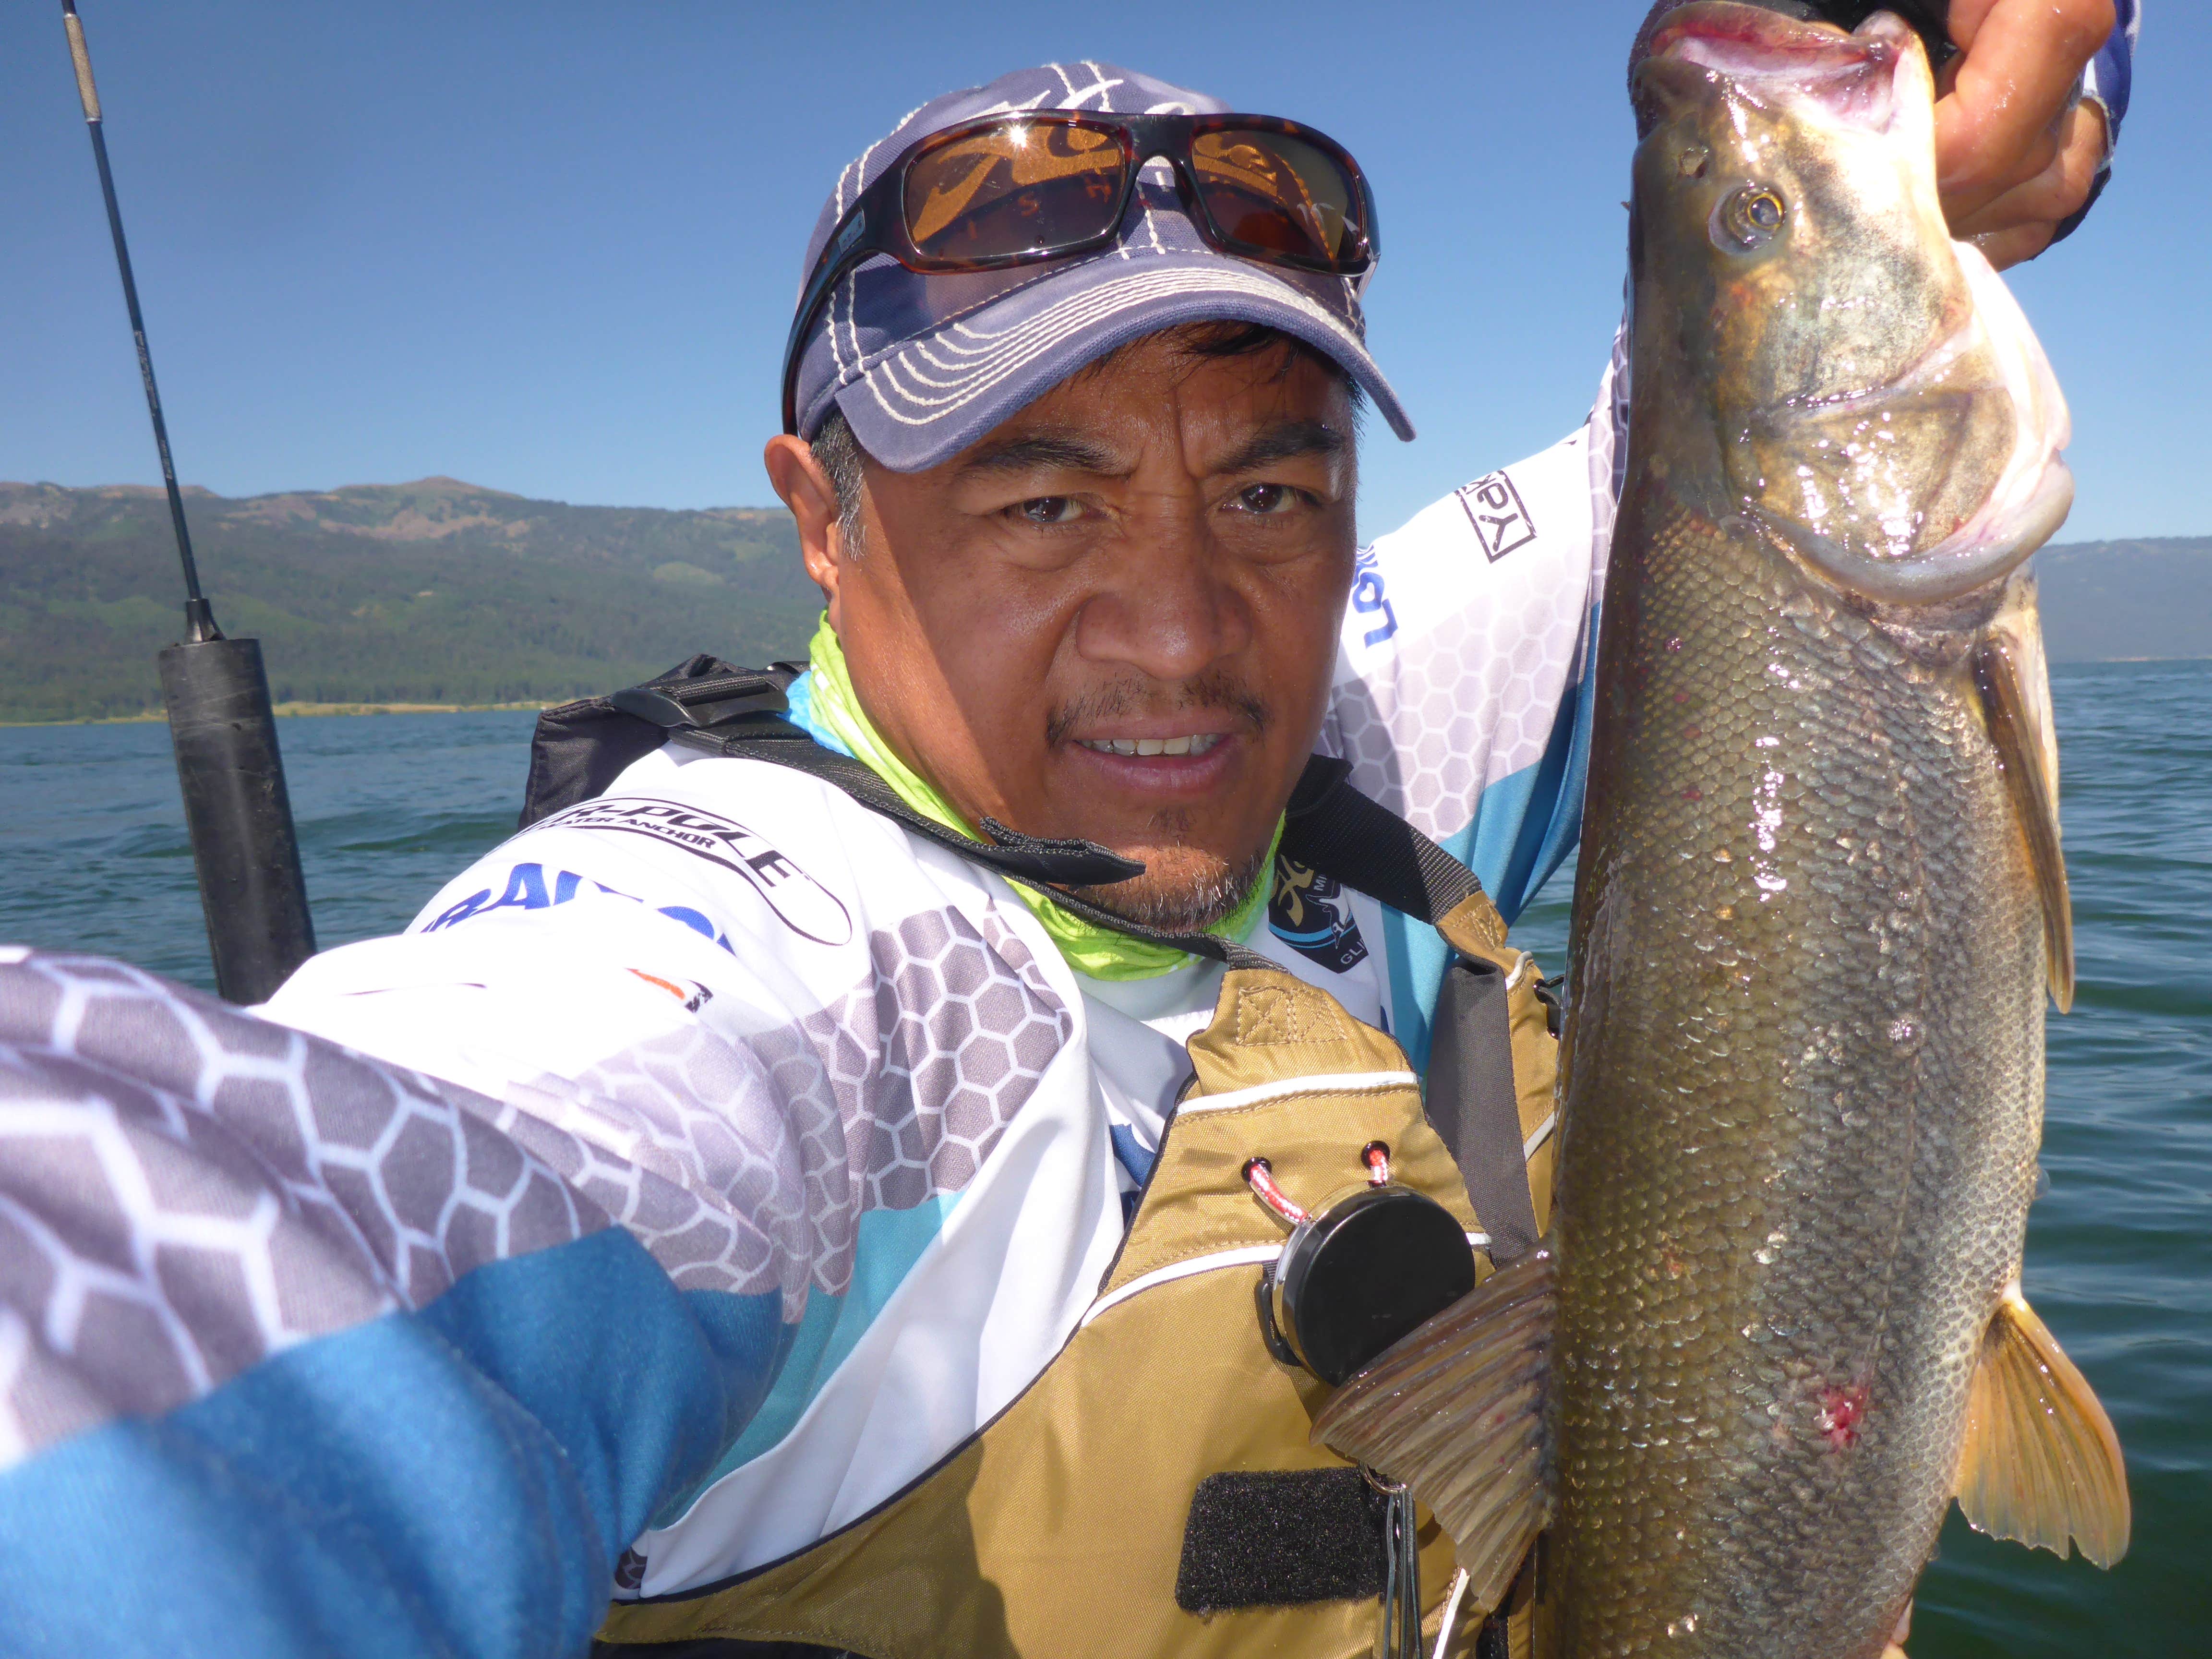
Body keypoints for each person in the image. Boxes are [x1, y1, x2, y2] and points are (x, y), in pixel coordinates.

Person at [0, 3, 2136, 1656]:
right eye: (1045, 499)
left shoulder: (1339, 763)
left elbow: (1743, 467)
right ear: (821, 523)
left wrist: (1899, 113)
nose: (1187, 632)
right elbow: (274, 1237)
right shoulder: (757, 987)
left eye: (1274, 487)